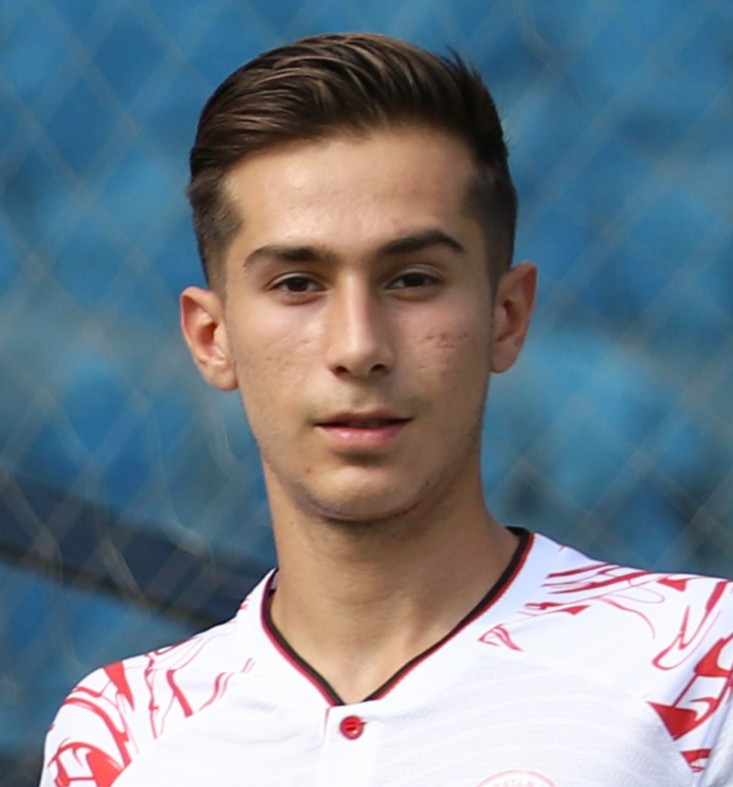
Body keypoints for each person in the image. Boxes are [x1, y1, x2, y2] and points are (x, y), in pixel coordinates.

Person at [39, 33, 732, 787]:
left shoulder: (700, 666)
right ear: (213, 338)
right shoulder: (121, 733)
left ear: (505, 316)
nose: (358, 346)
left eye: (412, 279)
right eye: (298, 284)